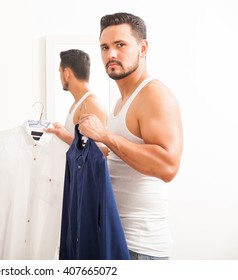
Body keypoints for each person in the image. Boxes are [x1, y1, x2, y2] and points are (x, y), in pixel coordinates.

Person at [78, 12, 183, 260]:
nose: (110, 54)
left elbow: (168, 166)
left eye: (120, 45)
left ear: (142, 47)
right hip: (115, 239)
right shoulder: (120, 102)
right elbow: (124, 154)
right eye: (105, 47)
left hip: (139, 249)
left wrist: (105, 135)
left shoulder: (153, 94)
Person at [44, 49, 108, 155]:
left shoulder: (92, 104)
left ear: (66, 73)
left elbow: (100, 153)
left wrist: (66, 136)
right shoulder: (77, 104)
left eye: (60, 73)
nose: (60, 78)